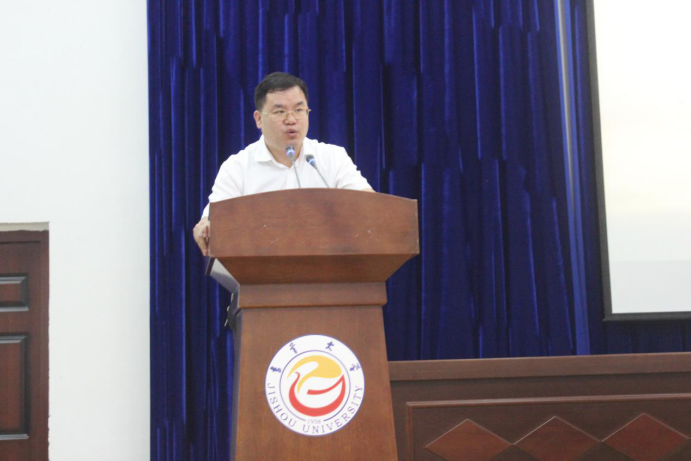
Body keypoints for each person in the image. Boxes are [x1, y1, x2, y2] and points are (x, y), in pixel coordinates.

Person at [193, 72, 374, 255]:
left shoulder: (332, 157)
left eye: (299, 110)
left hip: (329, 267)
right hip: (259, 269)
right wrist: (207, 225)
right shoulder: (237, 167)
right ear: (258, 119)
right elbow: (214, 219)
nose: (291, 120)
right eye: (279, 112)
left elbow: (369, 206)